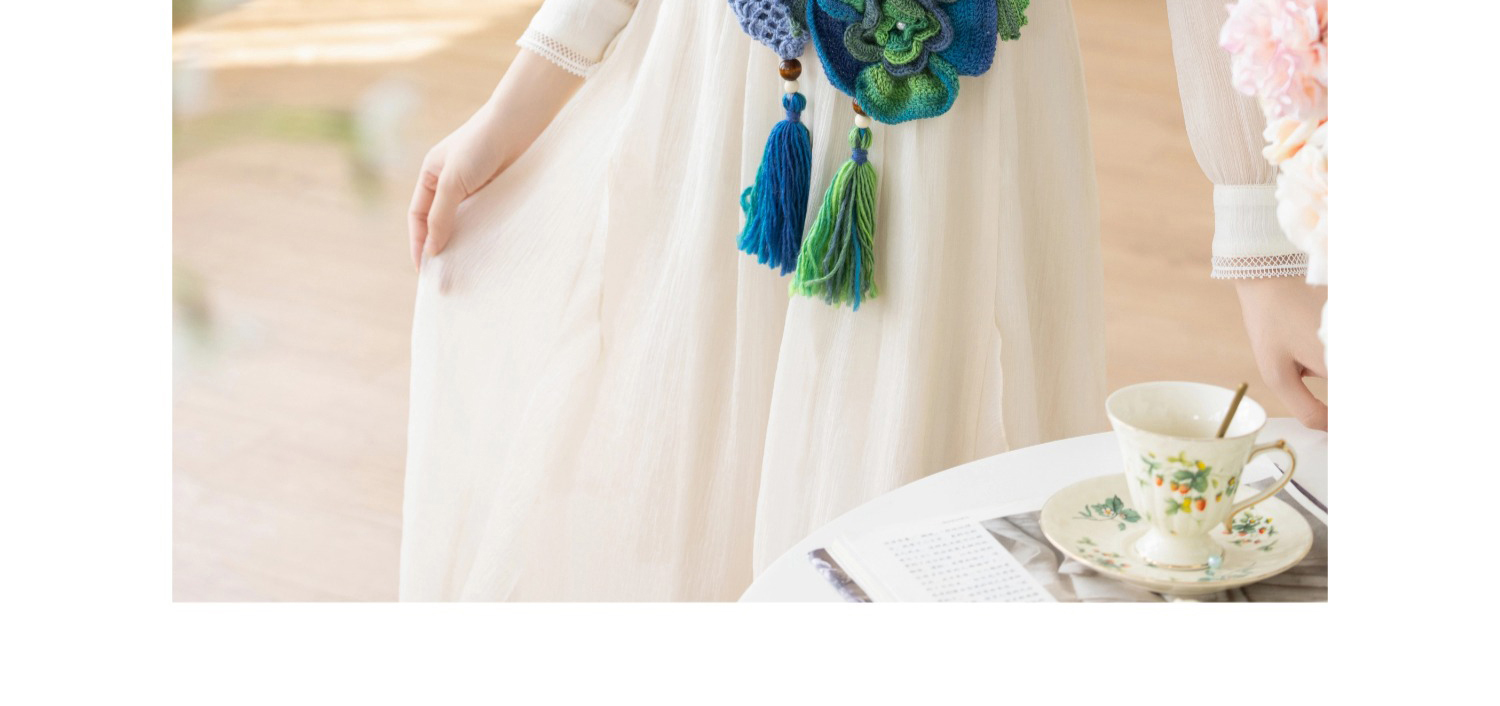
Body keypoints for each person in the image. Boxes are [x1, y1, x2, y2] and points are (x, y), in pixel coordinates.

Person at [399, 0, 1325, 601]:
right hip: (724, 82)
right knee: (706, 455)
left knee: (890, 468)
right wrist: (514, 107)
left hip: (951, 113)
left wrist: (1260, 234)